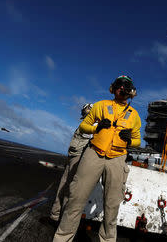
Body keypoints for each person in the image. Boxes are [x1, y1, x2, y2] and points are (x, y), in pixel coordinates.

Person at [53, 75, 141, 242]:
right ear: (113, 88)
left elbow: (137, 140)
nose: (122, 89)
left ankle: (107, 239)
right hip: (94, 153)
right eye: (119, 86)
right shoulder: (101, 105)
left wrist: (130, 139)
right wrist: (96, 128)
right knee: (76, 198)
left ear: (131, 92)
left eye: (126, 87)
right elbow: (83, 125)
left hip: (117, 158)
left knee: (112, 205)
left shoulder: (134, 116)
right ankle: (62, 238)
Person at [40, 103, 94, 227]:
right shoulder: (86, 123)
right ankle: (55, 216)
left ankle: (61, 220)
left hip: (79, 158)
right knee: (63, 186)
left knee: (69, 189)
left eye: (86, 112)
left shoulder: (94, 125)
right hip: (73, 157)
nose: (84, 114)